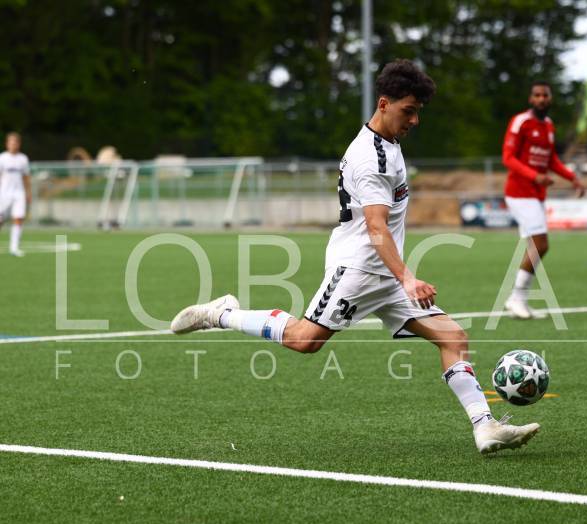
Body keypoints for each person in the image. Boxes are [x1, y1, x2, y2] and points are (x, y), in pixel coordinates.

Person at [170, 59, 540, 454]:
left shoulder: (388, 144)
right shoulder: (371, 160)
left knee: (452, 337)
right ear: (384, 104)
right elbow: (376, 227)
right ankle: (221, 314)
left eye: (418, 112)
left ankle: (485, 427)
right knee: (304, 340)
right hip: (359, 269)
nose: (415, 121)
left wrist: (399, 277)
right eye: (408, 111)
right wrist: (408, 278)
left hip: (384, 272)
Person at [501, 81, 585, 319]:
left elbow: (551, 160)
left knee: (536, 245)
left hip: (535, 195)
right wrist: (535, 176)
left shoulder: (548, 125)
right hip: (519, 192)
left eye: (545, 95)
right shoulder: (520, 122)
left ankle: (519, 300)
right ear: (531, 99)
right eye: (537, 95)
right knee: (541, 244)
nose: (541, 99)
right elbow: (508, 157)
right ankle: (516, 298)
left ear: (550, 98)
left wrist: (572, 178)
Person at [0, 132, 32, 257]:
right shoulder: (2, 158)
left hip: (19, 193)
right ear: (7, 144)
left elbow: (26, 177)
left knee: (18, 218)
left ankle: (14, 248)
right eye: (11, 142)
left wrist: (28, 192)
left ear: (19, 144)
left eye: (15, 142)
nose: (13, 144)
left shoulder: (23, 159)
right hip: (4, 193)